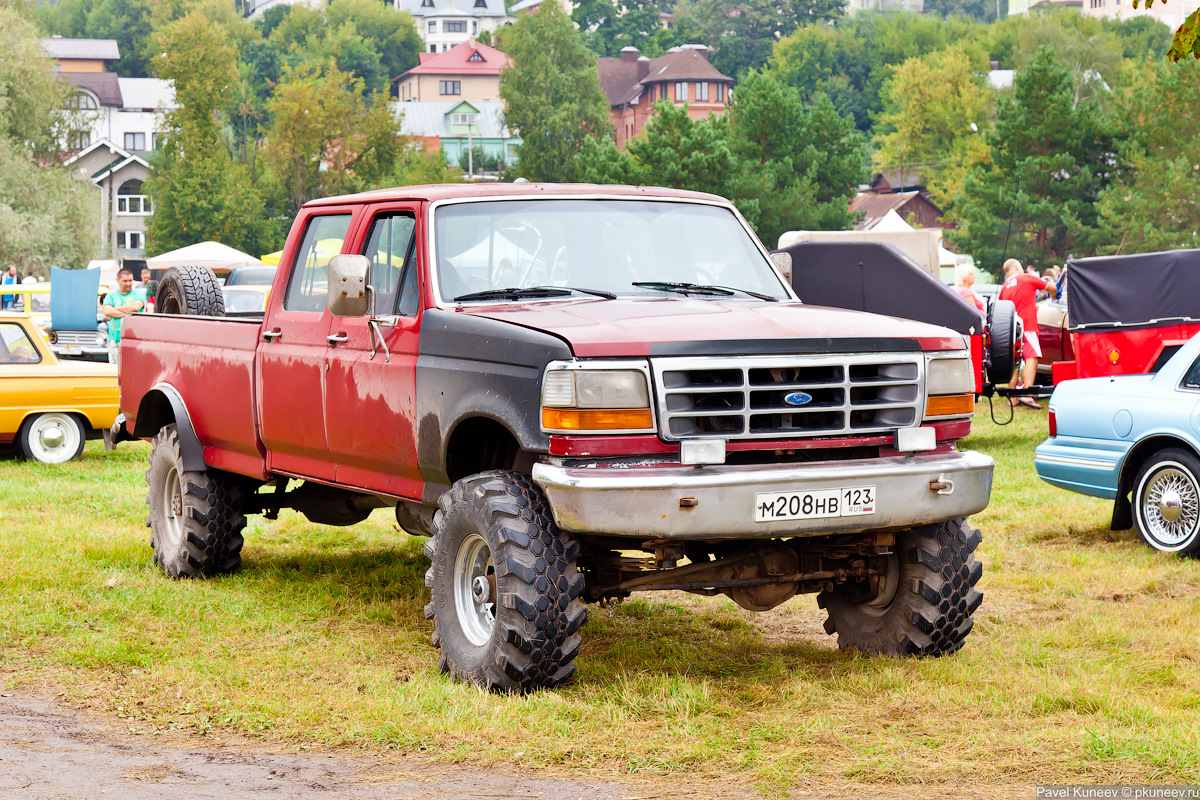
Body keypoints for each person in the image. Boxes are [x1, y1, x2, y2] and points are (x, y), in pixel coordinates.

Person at [999, 258, 1052, 409]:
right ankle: (1027, 395)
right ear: (1017, 267)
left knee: (1014, 362)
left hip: (1011, 329)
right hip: (1027, 326)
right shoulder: (1027, 277)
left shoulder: (1004, 287)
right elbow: (1051, 287)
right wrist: (1055, 296)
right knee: (1032, 358)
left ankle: (1012, 398)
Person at [101, 267, 146, 365]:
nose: (128, 283)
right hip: (115, 339)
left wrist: (116, 309)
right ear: (118, 280)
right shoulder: (111, 295)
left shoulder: (138, 294)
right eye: (125, 281)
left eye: (130, 280)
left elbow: (136, 306)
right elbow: (107, 311)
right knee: (114, 370)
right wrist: (128, 314)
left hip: (135, 340)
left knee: (133, 368)